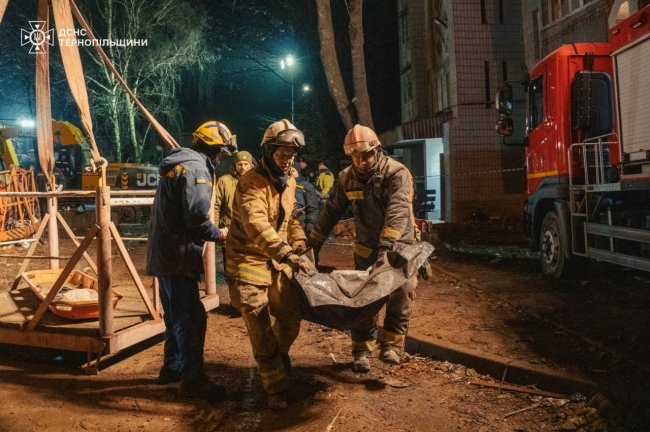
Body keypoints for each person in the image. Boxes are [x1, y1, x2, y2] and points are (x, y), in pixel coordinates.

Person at [308, 124, 419, 374]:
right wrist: (312, 245)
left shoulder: (397, 173)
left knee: (402, 293)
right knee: (364, 299)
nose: (361, 162)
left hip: (399, 247)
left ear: (376, 150)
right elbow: (331, 212)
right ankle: (361, 351)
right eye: (355, 157)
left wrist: (386, 247)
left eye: (366, 156)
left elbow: (398, 211)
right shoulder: (346, 178)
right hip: (366, 248)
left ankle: (392, 347)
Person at [225, 119, 308, 410]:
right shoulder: (250, 182)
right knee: (260, 330)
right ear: (268, 151)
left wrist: (299, 243)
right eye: (282, 154)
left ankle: (276, 358)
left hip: (277, 261)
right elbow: (257, 225)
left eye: (292, 155)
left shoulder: (289, 182)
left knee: (290, 319)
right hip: (248, 262)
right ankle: (276, 390)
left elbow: (291, 219)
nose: (287, 160)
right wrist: (286, 253)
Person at [147, 120, 233, 398]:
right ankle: (193, 380)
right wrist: (218, 234)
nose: (220, 158)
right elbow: (196, 215)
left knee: (174, 316)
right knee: (191, 318)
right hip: (179, 255)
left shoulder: (178, 163)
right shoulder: (196, 168)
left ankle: (172, 368)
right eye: (221, 152)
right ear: (213, 149)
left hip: (164, 254)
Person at [213, 150, 254, 301]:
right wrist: (215, 229)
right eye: (240, 164)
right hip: (230, 233)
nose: (243, 167)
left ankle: (249, 302)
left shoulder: (257, 180)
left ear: (251, 165)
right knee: (231, 270)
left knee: (251, 269)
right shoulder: (224, 181)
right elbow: (216, 206)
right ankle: (235, 303)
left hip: (251, 234)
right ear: (235, 165)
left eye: (246, 164)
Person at [289, 164, 320, 234]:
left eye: (293, 170)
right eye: (289, 170)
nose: (290, 172)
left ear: (298, 172)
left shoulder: (305, 185)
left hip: (299, 224)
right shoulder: (282, 184)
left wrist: (310, 223)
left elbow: (312, 208)